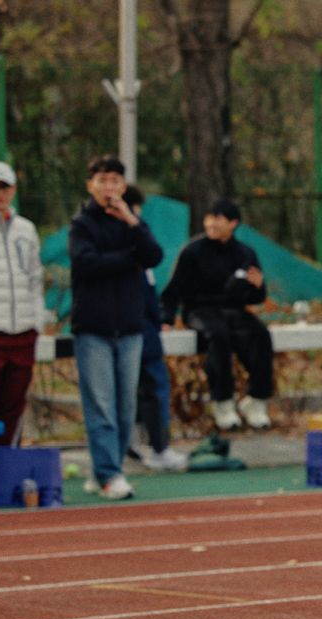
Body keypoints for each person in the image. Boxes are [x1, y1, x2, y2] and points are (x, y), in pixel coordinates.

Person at [69, 155, 163, 499]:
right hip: (93, 328)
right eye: (102, 180)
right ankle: (109, 473)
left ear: (123, 186)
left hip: (130, 327)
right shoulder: (81, 224)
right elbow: (87, 263)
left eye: (114, 181)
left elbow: (153, 256)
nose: (108, 187)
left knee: (125, 408)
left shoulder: (132, 222)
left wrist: (131, 223)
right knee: (101, 406)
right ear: (90, 184)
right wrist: (128, 260)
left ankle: (107, 468)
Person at [160, 199, 274, 431]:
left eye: (218, 219)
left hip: (234, 309)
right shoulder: (192, 252)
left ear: (233, 223)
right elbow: (174, 290)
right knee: (218, 335)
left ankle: (256, 400)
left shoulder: (245, 253)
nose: (212, 223)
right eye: (209, 218)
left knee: (260, 335)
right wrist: (166, 319)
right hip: (200, 310)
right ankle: (223, 402)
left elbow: (256, 296)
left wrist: (258, 287)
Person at [0, 160, 44, 494]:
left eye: (3, 187)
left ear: (13, 190)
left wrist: (36, 320)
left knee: (14, 403)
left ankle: (7, 469)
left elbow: (35, 277)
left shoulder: (26, 229)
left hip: (22, 331)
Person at [123, 186, 186, 471]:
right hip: (124, 327)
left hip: (147, 330)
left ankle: (158, 446)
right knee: (127, 390)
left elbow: (151, 286)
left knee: (154, 387)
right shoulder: (116, 241)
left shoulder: (144, 243)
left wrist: (159, 318)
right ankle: (131, 443)